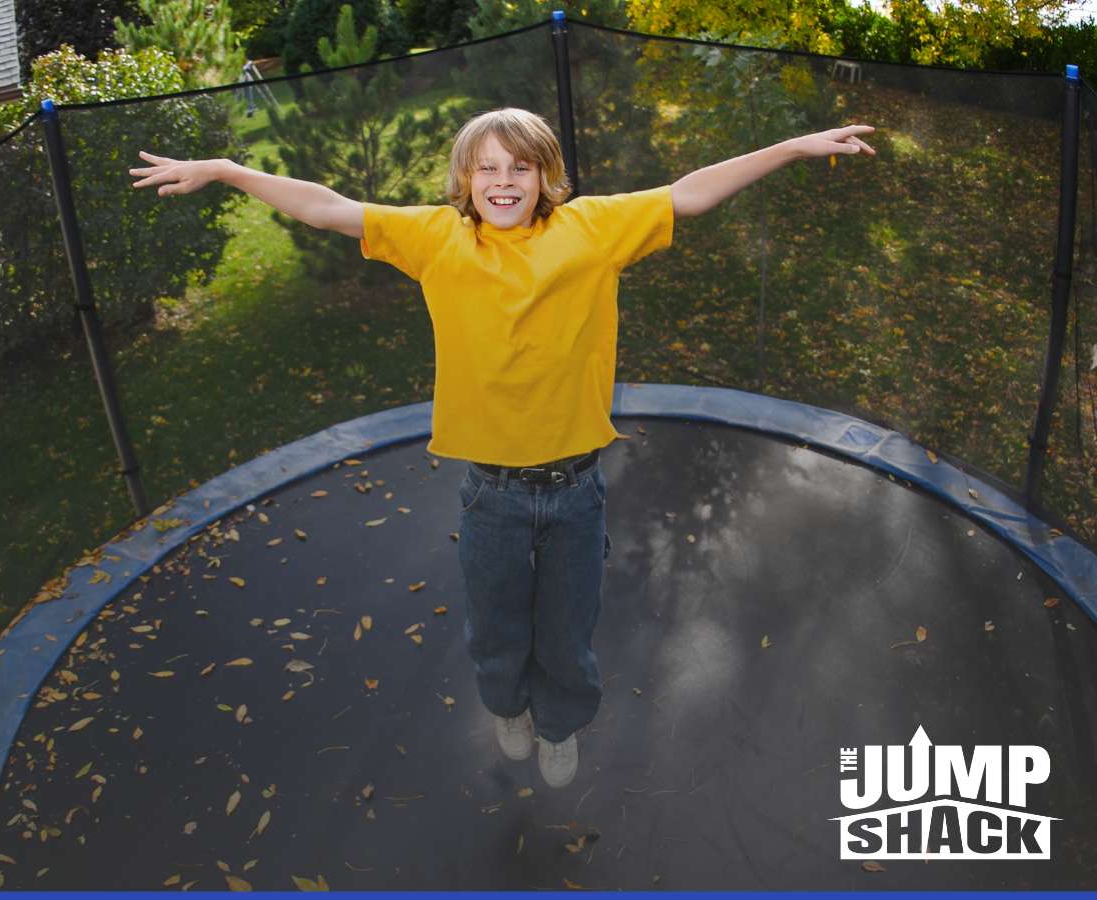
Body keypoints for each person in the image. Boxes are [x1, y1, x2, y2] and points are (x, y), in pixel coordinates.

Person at [129, 107, 875, 789]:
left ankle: (560, 724)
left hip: (577, 487)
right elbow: (327, 208)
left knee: (568, 631)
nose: (503, 181)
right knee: (496, 626)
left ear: (549, 176)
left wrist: (788, 146)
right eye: (486, 168)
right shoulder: (436, 238)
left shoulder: (592, 229)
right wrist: (229, 170)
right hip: (491, 492)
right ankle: (508, 708)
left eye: (520, 167)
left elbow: (690, 193)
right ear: (463, 179)